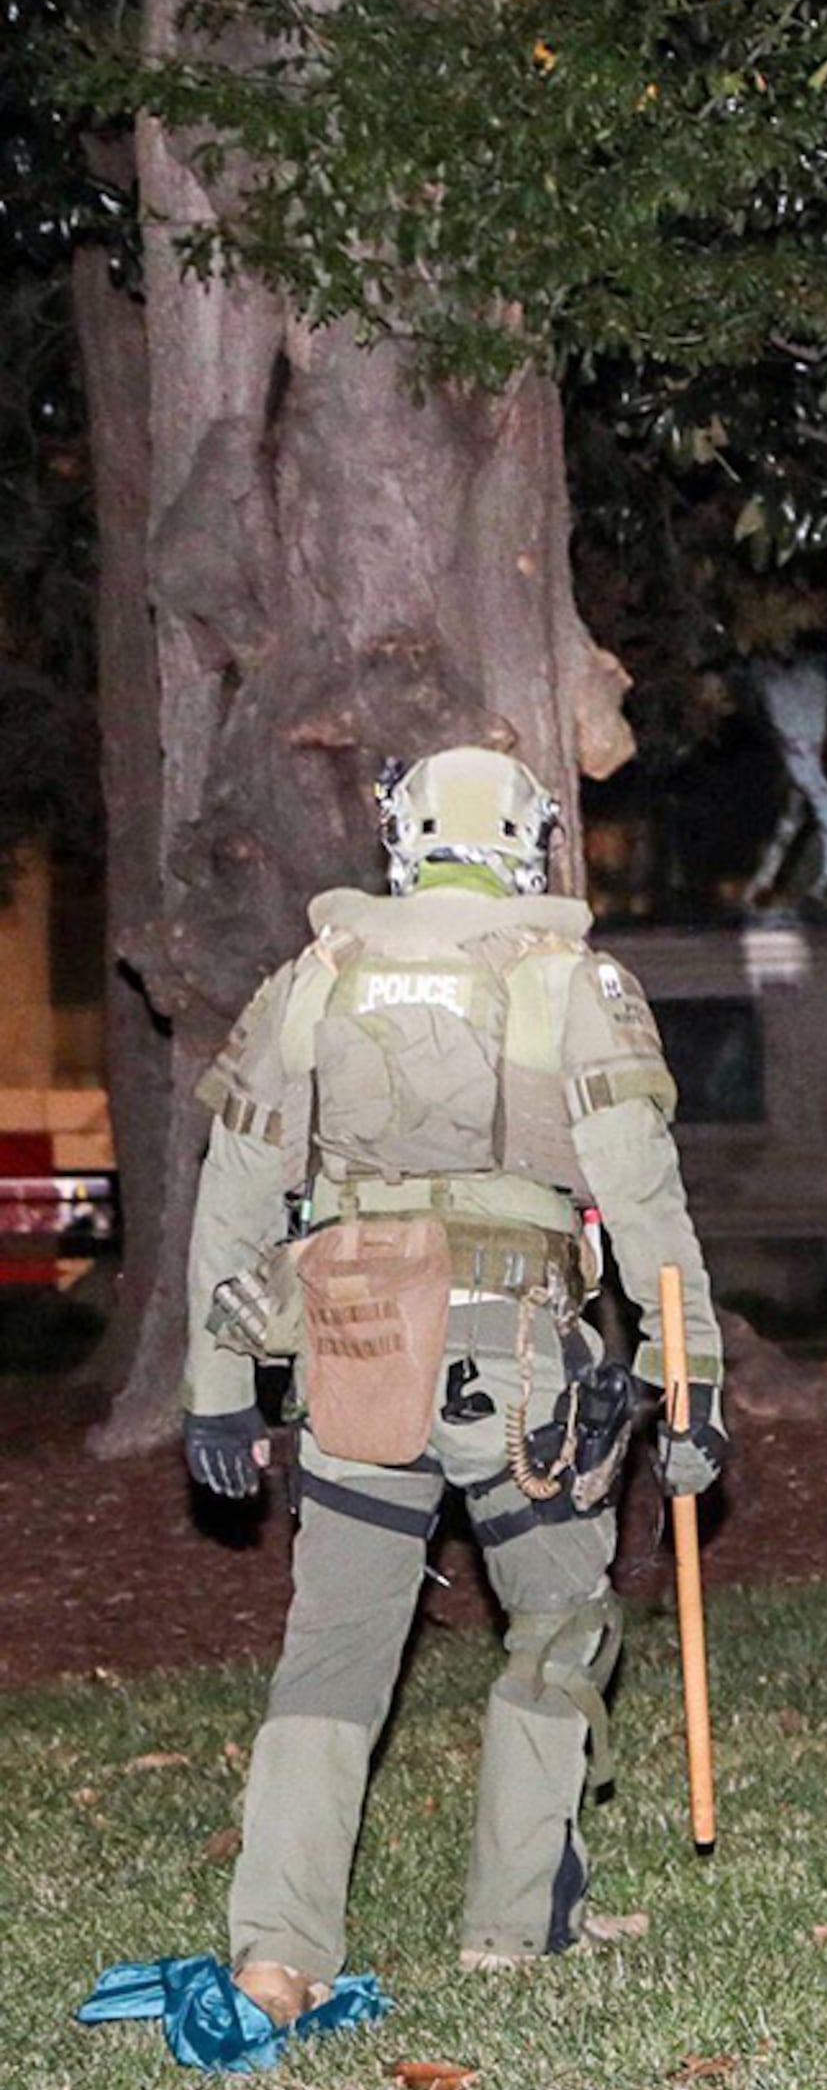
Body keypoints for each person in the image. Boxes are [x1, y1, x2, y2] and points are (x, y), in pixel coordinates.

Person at [180, 745, 726, 2025]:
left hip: (355, 1352)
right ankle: (517, 1922)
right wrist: (687, 1376)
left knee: (331, 1653)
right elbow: (642, 1199)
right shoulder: (567, 981)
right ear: (528, 841)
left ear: (401, 839)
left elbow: (238, 1183)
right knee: (559, 1623)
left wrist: (218, 1386)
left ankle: (277, 1955)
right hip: (519, 1364)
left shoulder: (316, 979)